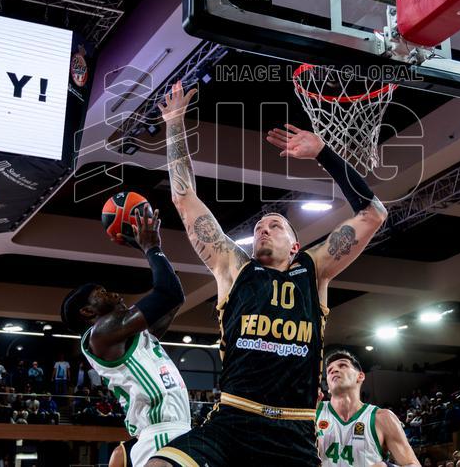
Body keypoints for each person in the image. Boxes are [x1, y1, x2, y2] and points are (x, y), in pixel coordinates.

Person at [149, 82, 387, 467]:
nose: (263, 228)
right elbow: (183, 197)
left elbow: (374, 214)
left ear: (295, 245)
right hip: (232, 422)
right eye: (260, 226)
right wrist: (175, 123)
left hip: (293, 432)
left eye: (275, 225)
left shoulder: (314, 270)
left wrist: (324, 153)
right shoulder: (233, 268)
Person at [61, 208, 190, 467]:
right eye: (102, 292)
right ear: (88, 311)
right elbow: (168, 294)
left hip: (177, 430)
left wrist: (145, 247)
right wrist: (151, 248)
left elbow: (175, 294)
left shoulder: (133, 335)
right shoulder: (101, 334)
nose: (113, 293)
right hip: (160, 434)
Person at [318, 350, 420, 467]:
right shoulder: (314, 412)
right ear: (328, 387)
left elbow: (413, 464)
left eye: (342, 365)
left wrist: (388, 466)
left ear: (360, 376)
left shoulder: (382, 418)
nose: (334, 370)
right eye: (329, 371)